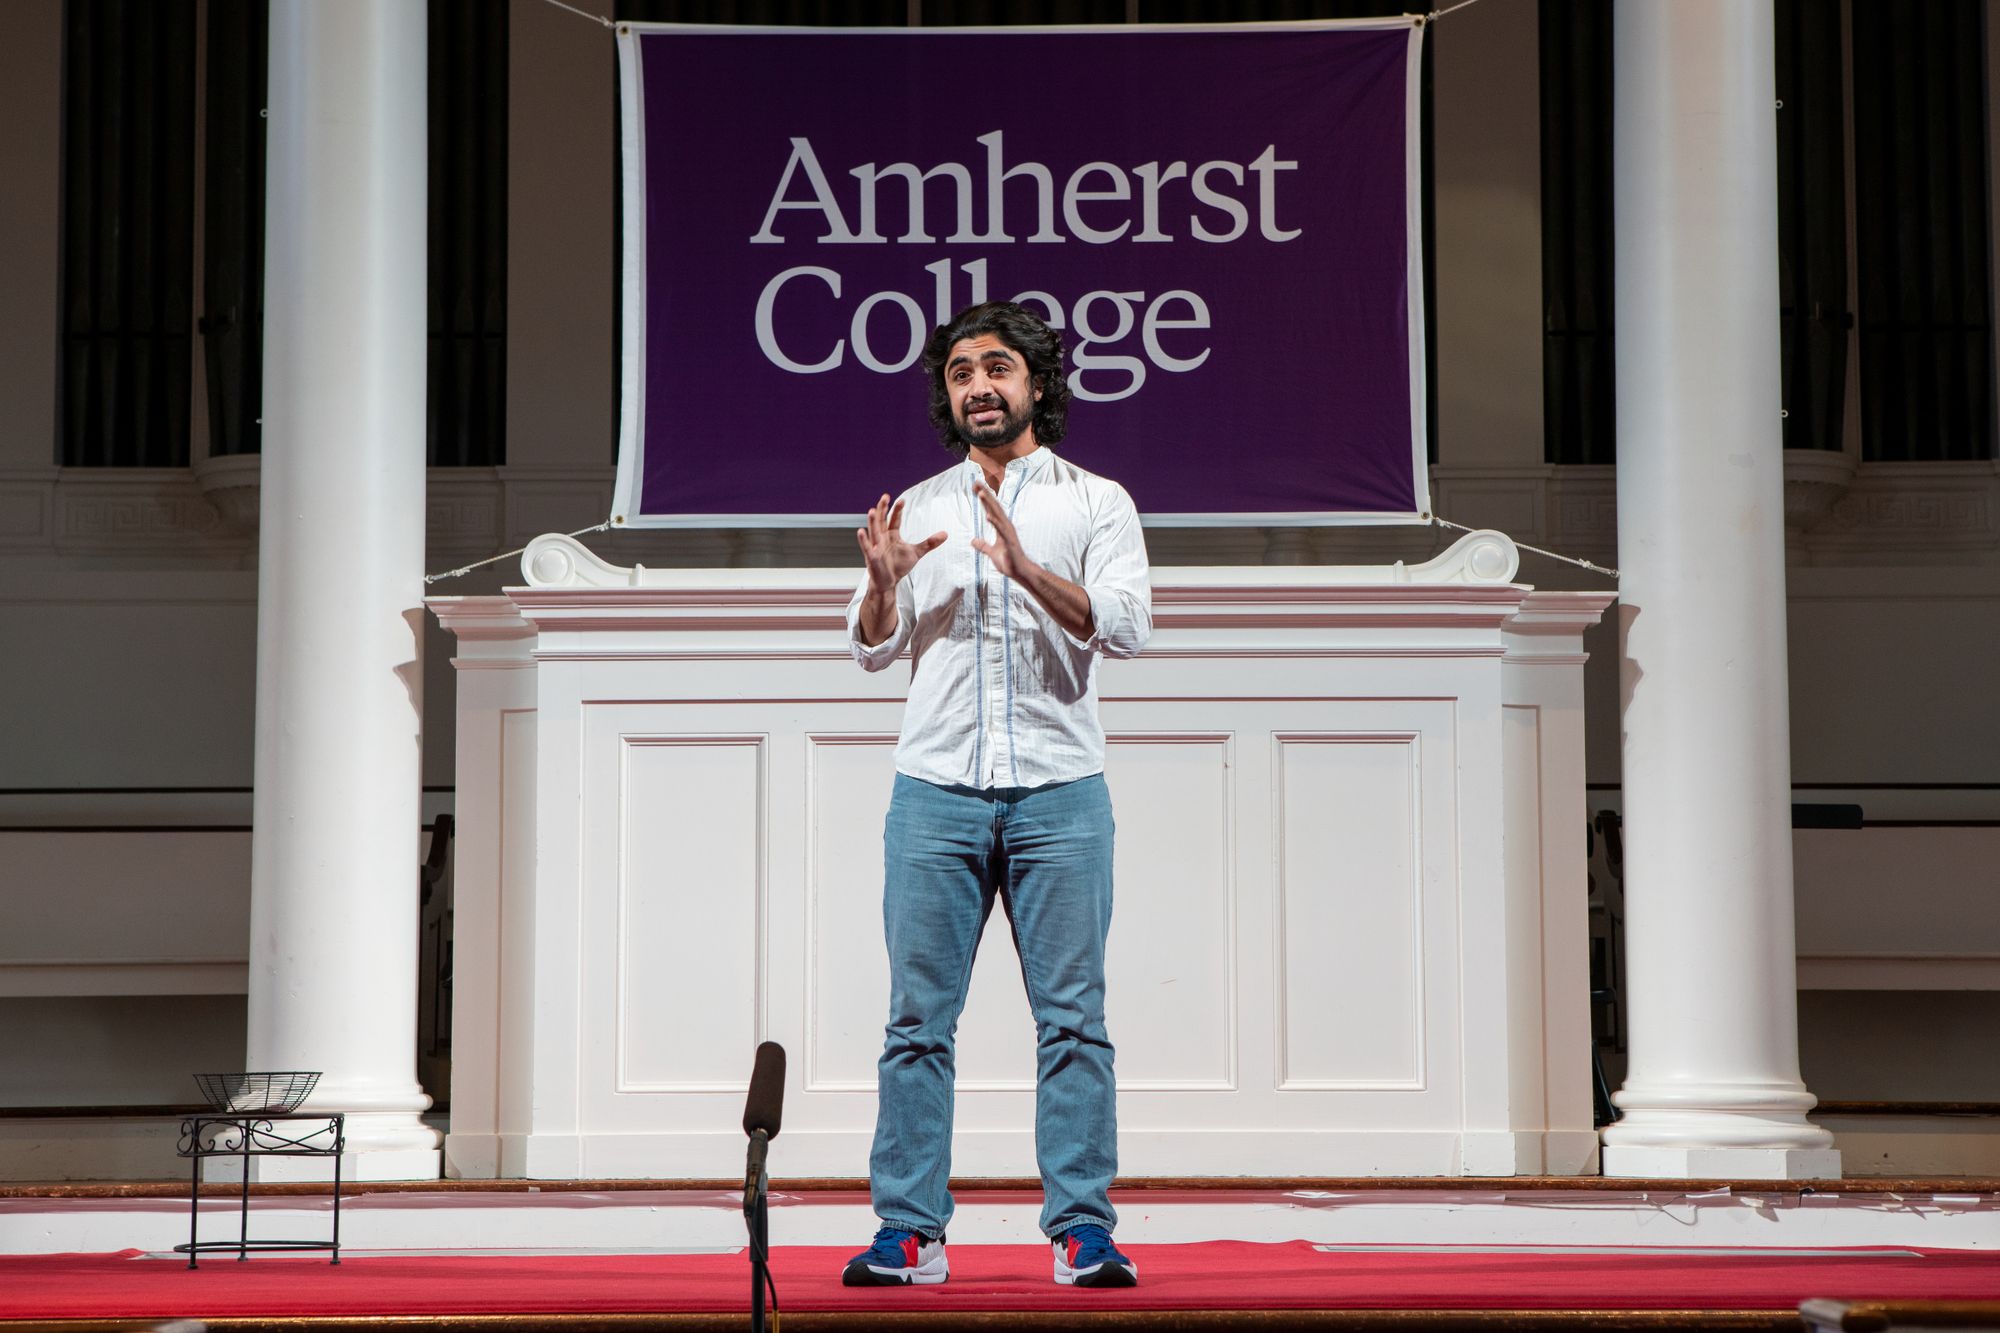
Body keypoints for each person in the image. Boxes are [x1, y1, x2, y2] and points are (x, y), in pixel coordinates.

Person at [840, 301, 1152, 1289]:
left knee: (1072, 1023)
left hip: (1060, 793)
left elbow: (1130, 627)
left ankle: (1080, 1231)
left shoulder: (1097, 501)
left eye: (997, 367)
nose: (978, 384)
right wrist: (884, 584)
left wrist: (1027, 571)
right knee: (915, 1024)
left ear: (1035, 383)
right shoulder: (916, 506)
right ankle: (908, 1231)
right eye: (960, 371)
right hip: (934, 792)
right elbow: (868, 644)